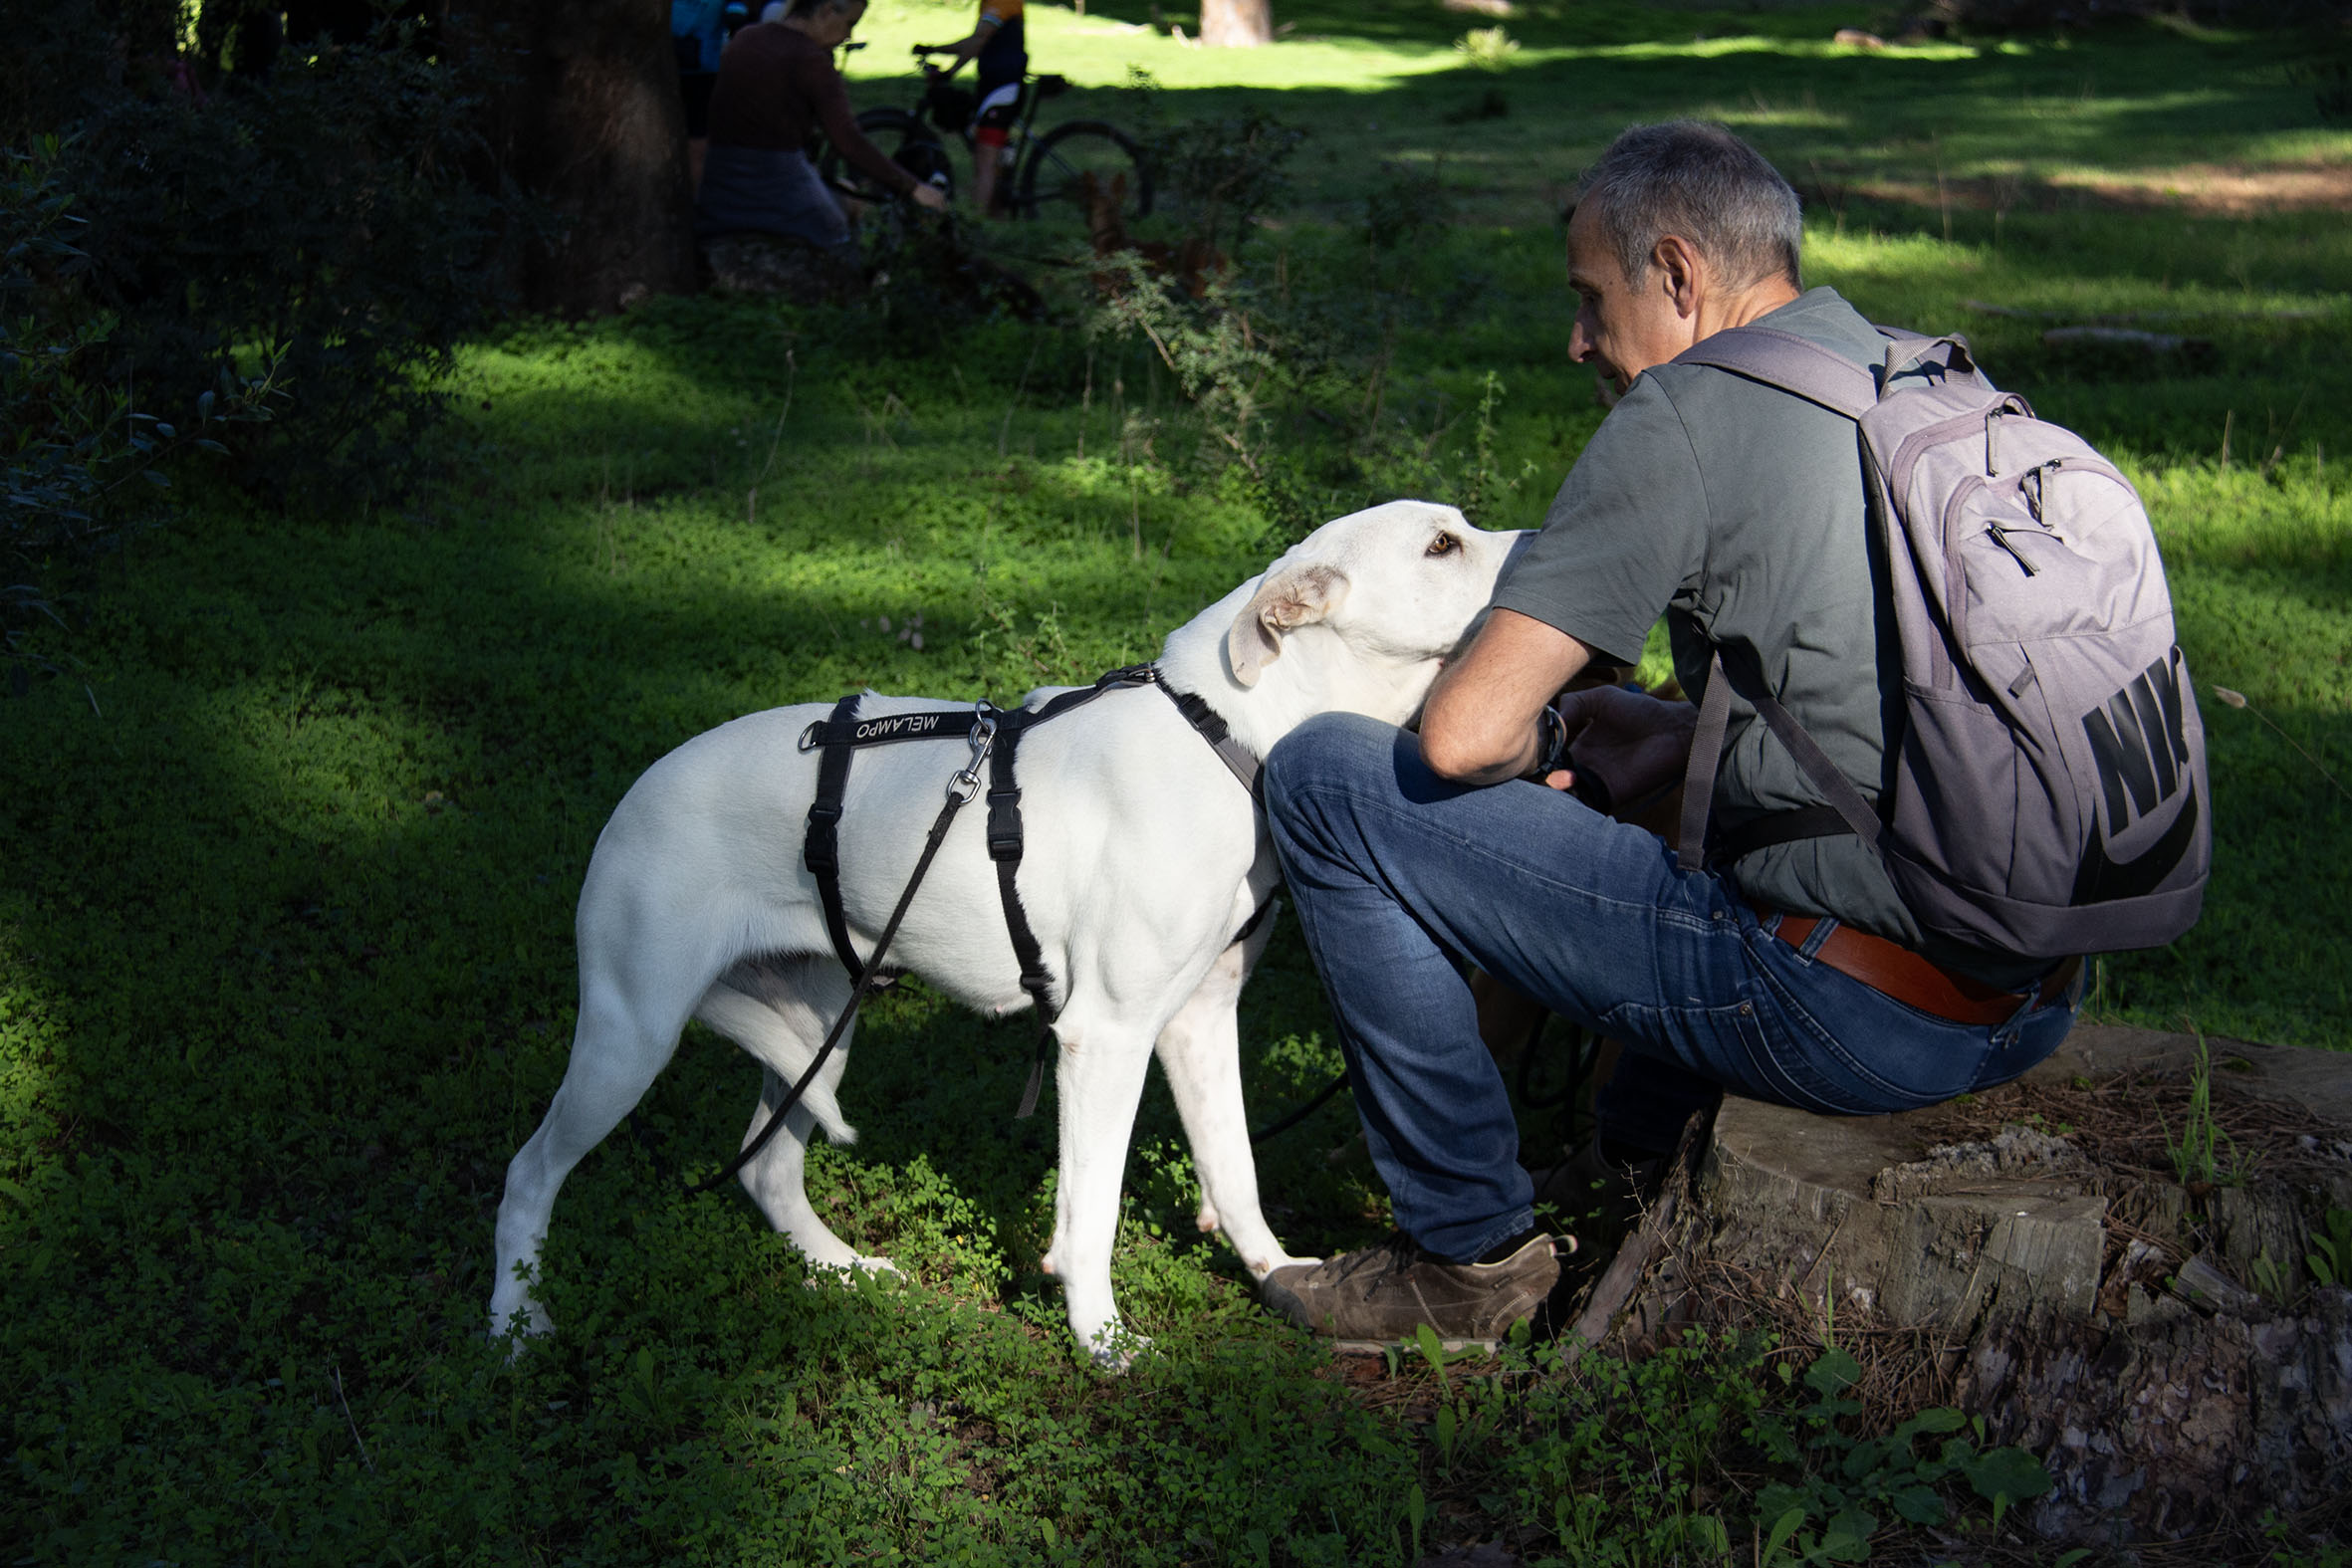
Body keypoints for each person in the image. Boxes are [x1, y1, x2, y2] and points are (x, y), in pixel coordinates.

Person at [1254, 120, 2083, 1347]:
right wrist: (1678, 734)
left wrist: (1540, 743)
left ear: (1679, 274)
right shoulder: (1923, 380)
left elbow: (1465, 738)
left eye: (1592, 299)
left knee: (1328, 776)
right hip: (2027, 1001)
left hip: (1853, 1023)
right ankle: (1630, 1164)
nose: (1577, 340)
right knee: (1673, 821)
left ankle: (1463, 1256)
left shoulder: (1691, 409)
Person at [696, 0, 948, 257]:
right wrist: (912, 187)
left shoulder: (747, 38)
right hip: (774, 181)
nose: (848, 36)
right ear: (828, 11)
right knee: (838, 241)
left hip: (719, 183)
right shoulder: (810, 60)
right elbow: (848, 140)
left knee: (841, 196)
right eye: (849, 24)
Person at [914, 0, 1027, 219]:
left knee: (985, 158)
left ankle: (977, 222)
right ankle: (995, 215)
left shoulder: (1000, 2)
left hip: (1001, 88)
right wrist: (934, 49)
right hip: (996, 85)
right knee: (991, 156)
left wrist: (951, 72)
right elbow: (975, 40)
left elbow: (979, 40)